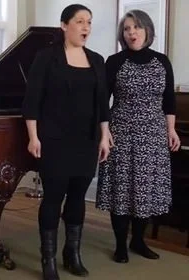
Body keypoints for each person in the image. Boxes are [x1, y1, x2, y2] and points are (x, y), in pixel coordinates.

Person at [22, 4, 111, 279]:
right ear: (64, 25)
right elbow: (32, 100)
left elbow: (102, 103)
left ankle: (72, 253)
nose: (86, 27)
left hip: (86, 140)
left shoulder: (97, 60)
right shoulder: (46, 57)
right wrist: (33, 137)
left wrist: (105, 135)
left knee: (77, 199)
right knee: (53, 198)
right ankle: (47, 259)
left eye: (89, 22)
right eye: (80, 21)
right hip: (54, 140)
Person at [96, 10, 180, 264]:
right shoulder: (115, 61)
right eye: (127, 28)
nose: (131, 32)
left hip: (153, 134)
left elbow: (169, 101)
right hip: (121, 132)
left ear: (147, 30)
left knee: (146, 190)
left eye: (136, 27)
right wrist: (104, 132)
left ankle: (139, 240)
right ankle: (121, 244)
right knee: (121, 190)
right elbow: (102, 101)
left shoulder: (162, 61)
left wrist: (171, 129)